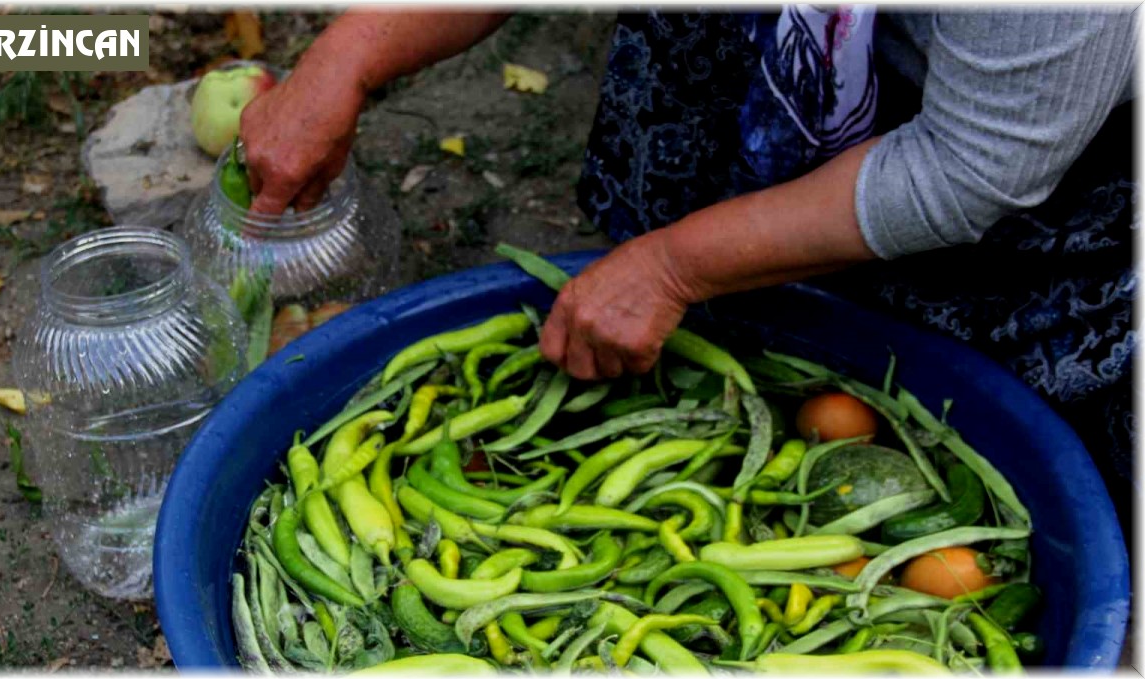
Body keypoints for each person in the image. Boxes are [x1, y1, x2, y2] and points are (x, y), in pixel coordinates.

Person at [240, 8, 1137, 522]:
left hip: (1022, 141)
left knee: (969, 422)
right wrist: (349, 55)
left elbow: (971, 165)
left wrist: (670, 268)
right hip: (795, 38)